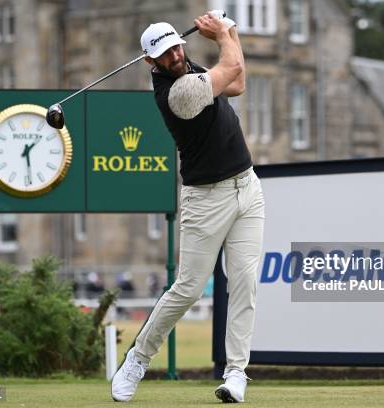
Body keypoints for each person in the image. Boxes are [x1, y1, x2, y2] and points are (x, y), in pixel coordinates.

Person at [111, 11, 265, 404]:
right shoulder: (178, 93)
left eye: (176, 46)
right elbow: (231, 64)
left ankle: (235, 373)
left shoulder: (190, 66)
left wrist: (226, 35)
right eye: (164, 54)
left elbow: (239, 81)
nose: (175, 56)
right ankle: (138, 359)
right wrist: (225, 30)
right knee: (188, 289)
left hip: (247, 188)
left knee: (245, 282)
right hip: (205, 199)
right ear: (151, 62)